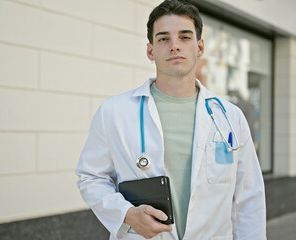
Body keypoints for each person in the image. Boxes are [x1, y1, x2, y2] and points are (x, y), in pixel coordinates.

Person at [75, 0, 266, 239]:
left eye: (185, 37)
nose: (174, 46)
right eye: (163, 38)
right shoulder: (114, 112)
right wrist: (126, 214)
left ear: (200, 48)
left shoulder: (230, 117)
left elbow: (248, 198)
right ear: (150, 51)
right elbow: (90, 177)